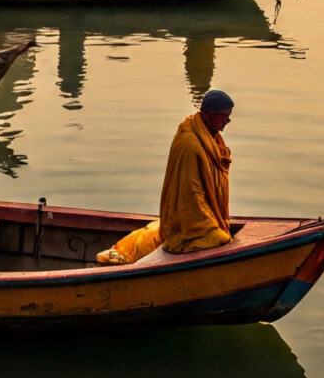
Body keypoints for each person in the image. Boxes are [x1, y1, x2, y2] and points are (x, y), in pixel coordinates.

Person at [95, 89, 234, 266]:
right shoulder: (190, 143)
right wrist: (208, 227)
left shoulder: (209, 137)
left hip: (200, 213)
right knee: (220, 238)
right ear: (208, 114)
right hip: (191, 221)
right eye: (224, 116)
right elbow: (191, 195)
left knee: (221, 234)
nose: (228, 121)